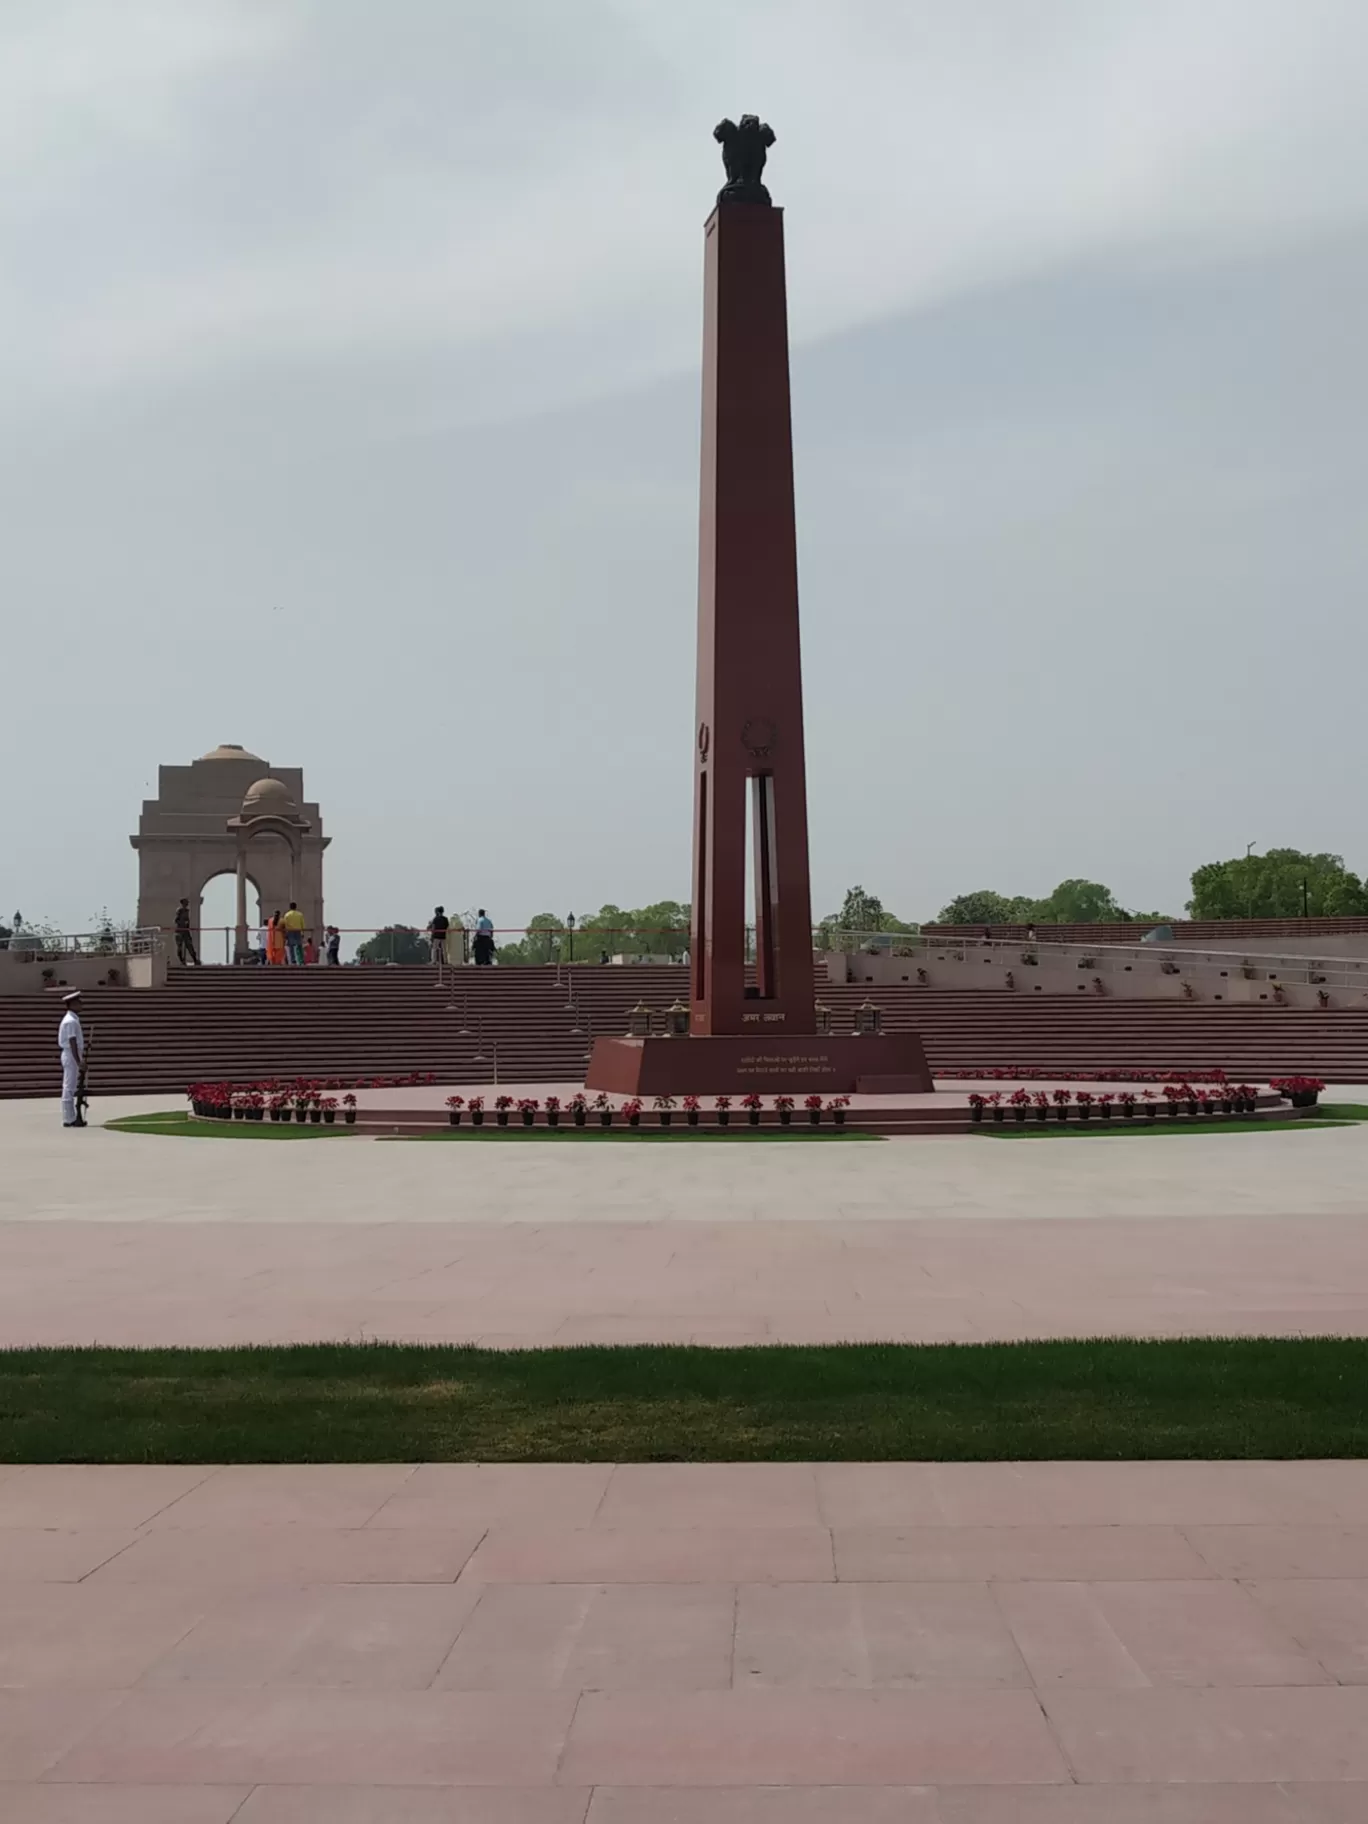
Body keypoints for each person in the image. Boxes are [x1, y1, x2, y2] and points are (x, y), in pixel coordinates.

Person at [58, 989, 85, 1128]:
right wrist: (79, 1061)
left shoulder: (73, 1019)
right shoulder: (70, 1021)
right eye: (78, 1002)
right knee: (69, 1086)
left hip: (71, 1054)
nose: (81, 1005)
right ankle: (69, 1118)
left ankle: (71, 1116)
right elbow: (72, 1042)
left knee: (71, 1085)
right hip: (70, 1054)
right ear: (72, 1004)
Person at [174, 897, 199, 967]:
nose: (187, 904)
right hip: (179, 931)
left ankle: (195, 960)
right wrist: (183, 923)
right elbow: (176, 920)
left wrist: (187, 927)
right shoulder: (179, 911)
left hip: (185, 931)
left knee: (190, 946)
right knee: (180, 948)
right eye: (186, 903)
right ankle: (182, 961)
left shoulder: (187, 911)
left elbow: (187, 922)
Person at [282, 901, 306, 965]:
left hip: (290, 931)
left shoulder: (287, 915)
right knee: (299, 946)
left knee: (291, 946)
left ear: (290, 907)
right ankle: (301, 960)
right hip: (298, 931)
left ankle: (293, 960)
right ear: (296, 907)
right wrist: (303, 932)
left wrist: (286, 933)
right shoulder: (300, 914)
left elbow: (286, 924)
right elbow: (303, 924)